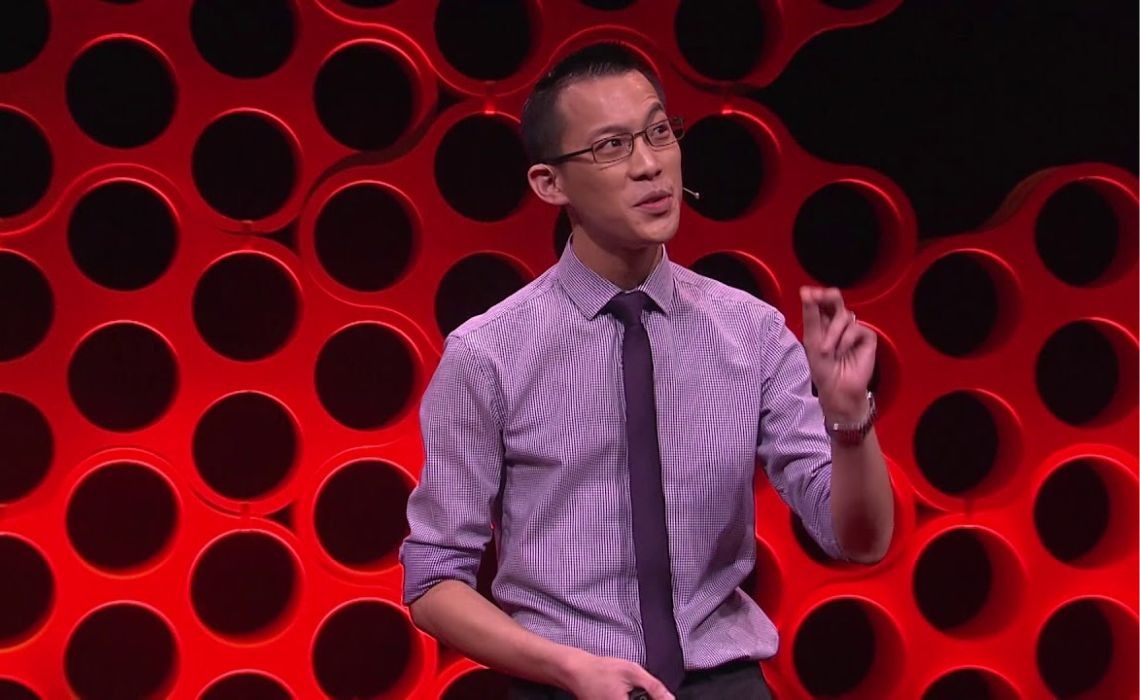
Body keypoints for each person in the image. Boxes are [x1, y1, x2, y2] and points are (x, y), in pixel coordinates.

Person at [400, 44, 894, 700]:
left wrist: (850, 421)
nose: (649, 165)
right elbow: (434, 582)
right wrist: (566, 668)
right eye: (610, 147)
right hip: (563, 683)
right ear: (550, 184)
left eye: (659, 132)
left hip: (726, 682)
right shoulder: (486, 354)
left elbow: (857, 539)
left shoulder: (750, 333)